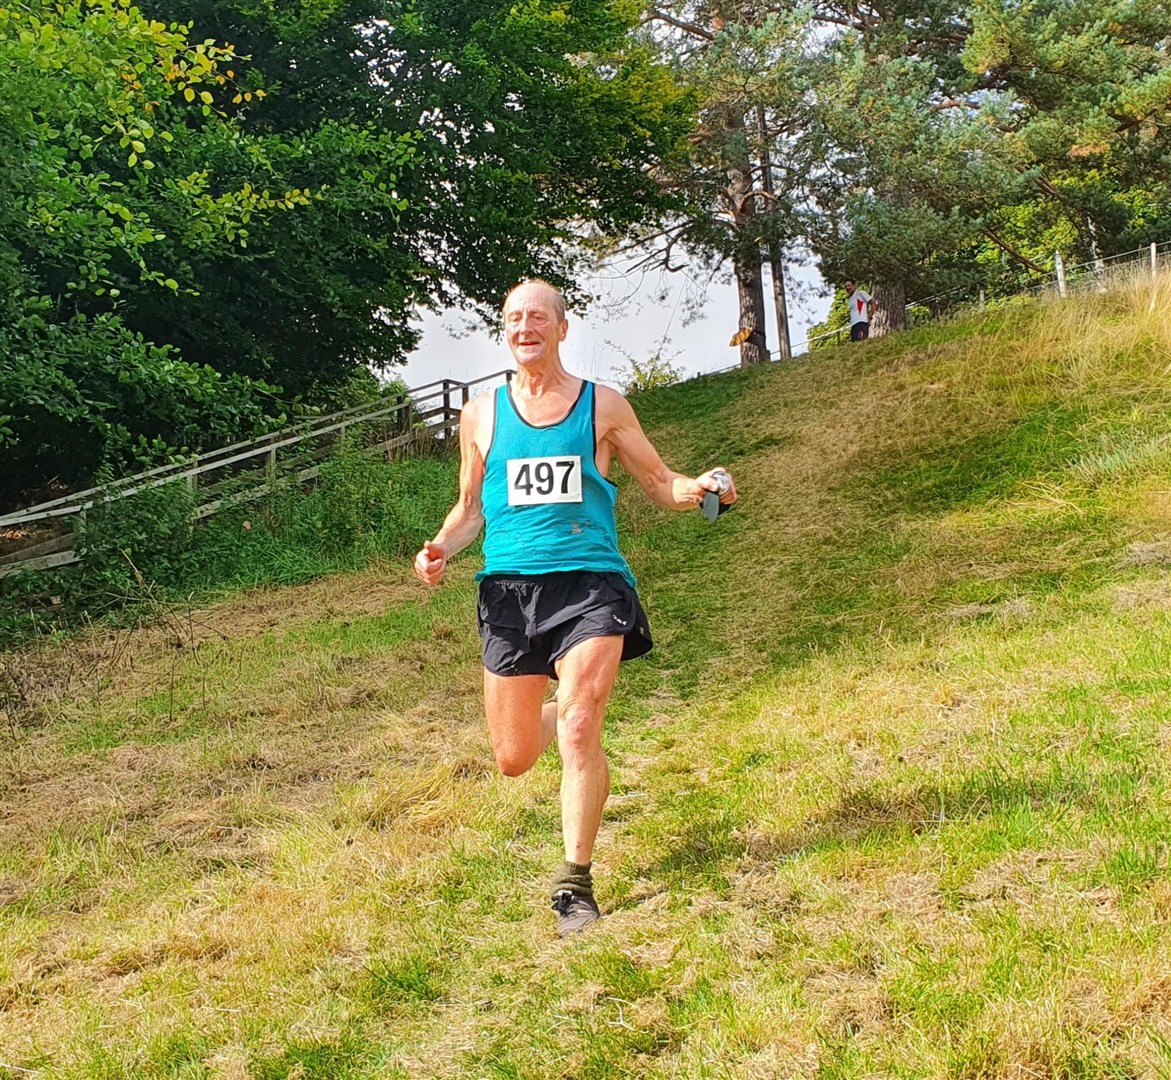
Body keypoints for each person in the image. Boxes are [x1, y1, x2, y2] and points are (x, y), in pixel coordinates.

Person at [413, 280, 737, 937]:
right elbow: (470, 508)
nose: (523, 325)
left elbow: (658, 482)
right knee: (514, 757)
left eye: (537, 316)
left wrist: (698, 488)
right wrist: (441, 547)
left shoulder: (601, 407)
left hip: (589, 583)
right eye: (512, 317)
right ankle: (560, 707)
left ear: (561, 329)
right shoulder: (479, 415)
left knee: (583, 727)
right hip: (507, 593)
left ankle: (574, 884)